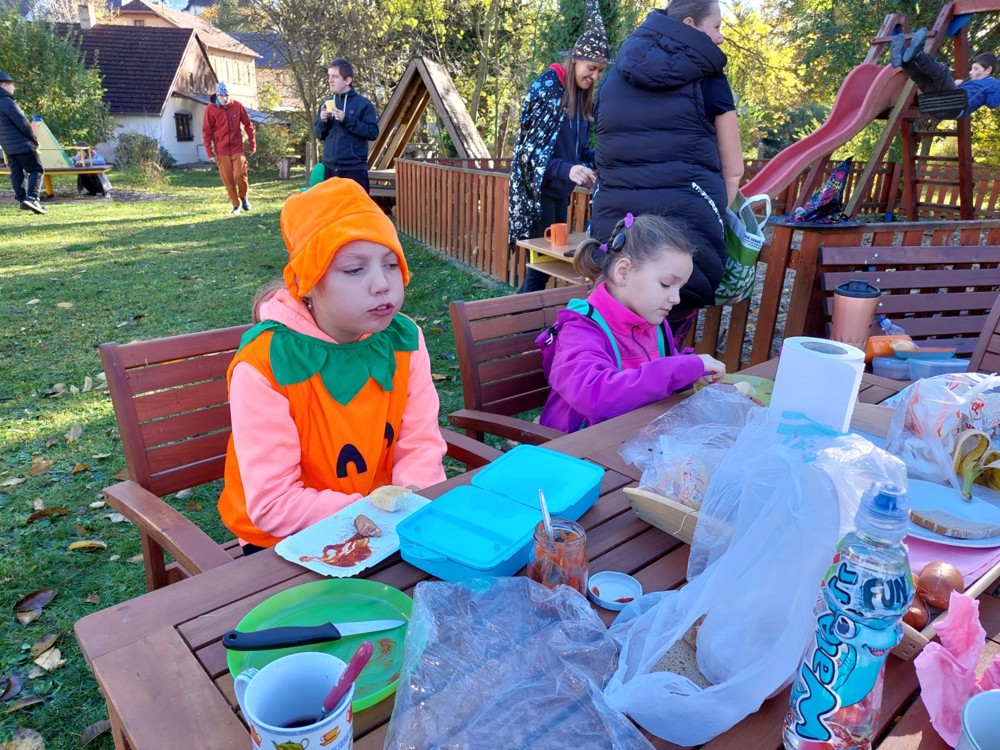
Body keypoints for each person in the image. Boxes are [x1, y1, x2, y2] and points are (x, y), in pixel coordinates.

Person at [217, 177, 447, 552]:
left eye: (391, 263)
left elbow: (419, 444)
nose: (382, 284)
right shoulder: (265, 365)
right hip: (285, 542)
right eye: (354, 269)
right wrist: (372, 515)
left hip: (391, 525)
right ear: (307, 282)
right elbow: (274, 503)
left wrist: (411, 501)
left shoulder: (404, 340)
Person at [591, 0, 744, 342]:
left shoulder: (613, 79)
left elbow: (607, 156)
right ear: (689, 24)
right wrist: (714, 213)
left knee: (614, 344)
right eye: (716, 27)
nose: (720, 38)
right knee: (665, 349)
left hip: (617, 237)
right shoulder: (710, 79)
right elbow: (733, 169)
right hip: (684, 242)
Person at [535, 213, 726, 433]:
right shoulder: (580, 330)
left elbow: (659, 367)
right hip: (575, 446)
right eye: (666, 284)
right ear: (623, 272)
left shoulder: (651, 322)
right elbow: (595, 395)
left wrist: (690, 372)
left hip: (630, 434)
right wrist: (679, 369)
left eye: (679, 288)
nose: (676, 299)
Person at [507, 0, 611, 293]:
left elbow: (577, 152)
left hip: (559, 195)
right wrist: (568, 170)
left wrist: (603, 161)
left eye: (600, 71)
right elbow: (529, 154)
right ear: (575, 60)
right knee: (539, 269)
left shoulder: (579, 96)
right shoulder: (548, 87)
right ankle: (520, 319)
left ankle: (522, 317)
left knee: (546, 268)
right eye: (592, 68)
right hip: (537, 195)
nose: (595, 76)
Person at [890, 29, 1000, 118]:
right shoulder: (971, 82)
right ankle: (904, 62)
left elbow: (992, 103)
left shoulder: (995, 84)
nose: (971, 72)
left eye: (976, 69)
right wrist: (957, 85)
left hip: (956, 106)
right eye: (972, 69)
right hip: (937, 105)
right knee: (924, 80)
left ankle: (918, 54)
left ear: (988, 70)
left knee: (942, 72)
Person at [314, 58, 379, 193]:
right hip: (330, 169)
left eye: (335, 76)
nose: (330, 80)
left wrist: (346, 119)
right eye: (329, 76)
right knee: (332, 207)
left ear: (347, 80)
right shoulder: (325, 105)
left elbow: (372, 132)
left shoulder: (363, 105)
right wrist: (322, 121)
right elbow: (318, 135)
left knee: (355, 207)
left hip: (354, 169)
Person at [202, 81, 256, 214]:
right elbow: (206, 132)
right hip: (221, 150)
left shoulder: (237, 106)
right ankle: (236, 204)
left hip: (237, 148)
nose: (225, 99)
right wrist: (210, 152)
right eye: (222, 96)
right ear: (217, 96)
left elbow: (248, 125)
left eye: (226, 96)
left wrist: (252, 143)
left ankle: (244, 197)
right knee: (228, 179)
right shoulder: (210, 109)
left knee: (241, 174)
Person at [0, 70, 45, 214]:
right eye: (12, 84)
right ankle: (32, 198)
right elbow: (23, 123)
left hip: (8, 146)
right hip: (23, 145)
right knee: (36, 170)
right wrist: (34, 140)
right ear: (3, 85)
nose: (14, 87)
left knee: (17, 173)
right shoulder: (7, 102)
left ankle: (22, 200)